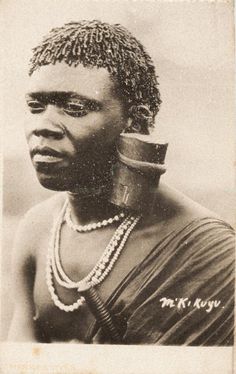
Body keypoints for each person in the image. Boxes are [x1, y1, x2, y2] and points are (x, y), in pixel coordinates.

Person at [8, 20, 234, 345]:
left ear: (135, 120)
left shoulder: (207, 249)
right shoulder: (36, 228)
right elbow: (20, 362)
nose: (43, 126)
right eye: (35, 106)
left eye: (74, 108)